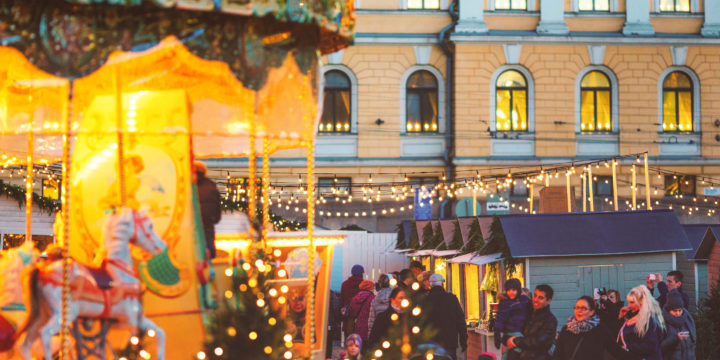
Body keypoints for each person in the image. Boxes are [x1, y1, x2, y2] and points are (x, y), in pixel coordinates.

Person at [609, 285, 664, 360]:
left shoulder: (649, 320)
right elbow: (620, 335)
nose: (629, 305)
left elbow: (651, 346)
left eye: (632, 302)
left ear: (641, 303)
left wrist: (628, 347)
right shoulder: (630, 318)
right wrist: (621, 318)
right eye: (629, 302)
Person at [505, 284, 558, 360]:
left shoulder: (550, 320)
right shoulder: (529, 314)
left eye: (540, 298)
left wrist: (516, 341)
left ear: (549, 301)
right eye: (535, 295)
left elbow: (539, 342)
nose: (535, 300)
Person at [424, 273, 468, 360]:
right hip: (449, 342)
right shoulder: (452, 299)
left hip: (431, 343)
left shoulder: (424, 301)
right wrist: (463, 340)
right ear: (442, 284)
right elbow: (461, 321)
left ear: (430, 285)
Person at [553, 296, 606, 360]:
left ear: (591, 312)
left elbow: (615, 350)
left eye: (583, 308)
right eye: (577, 308)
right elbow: (558, 355)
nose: (579, 311)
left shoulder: (599, 330)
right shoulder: (567, 329)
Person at [494, 279, 531, 359]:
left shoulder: (523, 300)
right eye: (509, 290)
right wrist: (497, 332)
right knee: (516, 347)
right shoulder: (504, 303)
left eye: (514, 290)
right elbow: (500, 319)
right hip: (511, 331)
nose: (511, 292)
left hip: (521, 330)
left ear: (518, 290)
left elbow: (531, 309)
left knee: (508, 352)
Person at [195, 161, 222, 259]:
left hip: (192, 227)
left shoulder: (190, 186)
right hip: (207, 227)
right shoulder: (211, 186)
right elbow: (217, 212)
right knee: (207, 253)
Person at [661, 289, 696, 360]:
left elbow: (693, 344)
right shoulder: (662, 322)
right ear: (668, 309)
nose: (677, 313)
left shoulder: (688, 319)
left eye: (680, 310)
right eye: (674, 311)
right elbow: (659, 347)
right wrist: (675, 338)